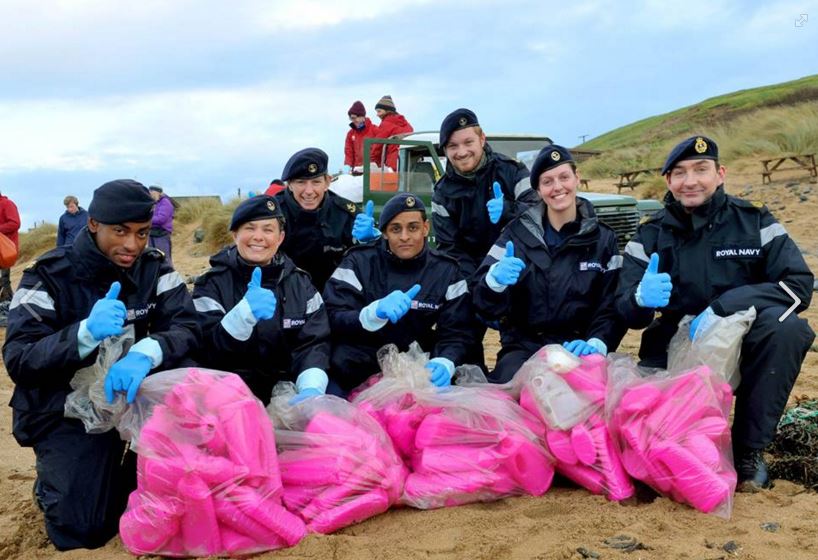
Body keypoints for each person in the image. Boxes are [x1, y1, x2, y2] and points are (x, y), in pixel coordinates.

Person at [2, 179, 201, 550]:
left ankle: (123, 472)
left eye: (142, 233)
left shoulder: (155, 268)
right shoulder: (47, 275)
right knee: (85, 529)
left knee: (176, 500)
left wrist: (149, 351)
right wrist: (83, 334)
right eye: (120, 231)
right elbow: (20, 358)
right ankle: (57, 486)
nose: (132, 245)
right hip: (68, 413)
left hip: (137, 401)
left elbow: (188, 326)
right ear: (93, 223)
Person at [615, 135, 815, 492]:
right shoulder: (649, 233)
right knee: (654, 450)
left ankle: (747, 452)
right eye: (679, 173)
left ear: (720, 173)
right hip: (674, 347)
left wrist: (726, 305)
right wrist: (640, 298)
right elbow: (627, 312)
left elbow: (797, 285)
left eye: (700, 170)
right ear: (668, 181)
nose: (690, 180)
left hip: (745, 344)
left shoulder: (754, 220)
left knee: (787, 329)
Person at [473, 145, 626, 383]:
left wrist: (598, 341)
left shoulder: (603, 239)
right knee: (509, 405)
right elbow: (483, 304)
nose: (557, 187)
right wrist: (494, 282)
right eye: (547, 181)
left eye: (564, 177)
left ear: (577, 178)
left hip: (579, 349)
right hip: (523, 351)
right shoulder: (515, 234)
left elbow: (610, 304)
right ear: (538, 190)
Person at [323, 193, 476, 392]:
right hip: (358, 364)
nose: (405, 236)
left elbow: (459, 330)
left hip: (419, 366)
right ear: (384, 232)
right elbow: (332, 315)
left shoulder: (446, 270)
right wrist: (370, 315)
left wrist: (445, 361)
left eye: (413, 227)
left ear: (425, 228)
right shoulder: (358, 262)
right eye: (396, 229)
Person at [192, 195, 333, 405]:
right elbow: (204, 350)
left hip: (289, 396)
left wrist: (311, 385)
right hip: (228, 399)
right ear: (234, 234)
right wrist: (240, 318)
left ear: (280, 237)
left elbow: (314, 342)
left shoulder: (301, 284)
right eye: (250, 228)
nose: (258, 237)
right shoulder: (210, 285)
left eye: (268, 229)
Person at [431, 108, 538, 370]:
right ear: (445, 150)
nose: (462, 151)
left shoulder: (513, 171)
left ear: (482, 139)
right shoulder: (442, 192)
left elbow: (537, 213)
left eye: (468, 142)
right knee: (463, 349)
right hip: (471, 275)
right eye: (453, 146)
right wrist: (478, 284)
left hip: (519, 272)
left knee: (524, 354)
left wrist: (508, 211)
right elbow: (449, 246)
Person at [274, 147, 359, 292]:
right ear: (290, 185)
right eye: (301, 182)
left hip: (334, 296)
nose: (309, 191)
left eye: (316, 182)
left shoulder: (345, 214)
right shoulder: (273, 213)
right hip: (283, 294)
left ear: (327, 182)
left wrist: (370, 243)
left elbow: (363, 264)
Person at [370, 95, 413, 171]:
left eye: (379, 111)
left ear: (387, 111)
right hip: (408, 165)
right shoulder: (407, 125)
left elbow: (377, 146)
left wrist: (373, 163)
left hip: (393, 166)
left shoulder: (386, 124)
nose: (377, 114)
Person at [344, 100, 379, 175]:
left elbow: (379, 151)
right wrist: (348, 168)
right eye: (351, 118)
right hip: (356, 171)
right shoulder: (350, 134)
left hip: (373, 172)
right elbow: (348, 153)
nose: (353, 121)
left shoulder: (375, 130)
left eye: (354, 118)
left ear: (362, 117)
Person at [0, 189, 20, 302]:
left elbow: (15, 223)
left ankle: (8, 304)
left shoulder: (8, 204)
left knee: (4, 279)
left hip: (6, 249)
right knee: (3, 280)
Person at [148, 185, 175, 266]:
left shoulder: (165, 203)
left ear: (157, 193)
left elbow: (161, 219)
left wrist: (147, 220)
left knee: (164, 258)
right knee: (153, 258)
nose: (150, 195)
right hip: (152, 234)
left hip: (162, 234)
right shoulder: (154, 203)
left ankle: (169, 276)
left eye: (152, 193)